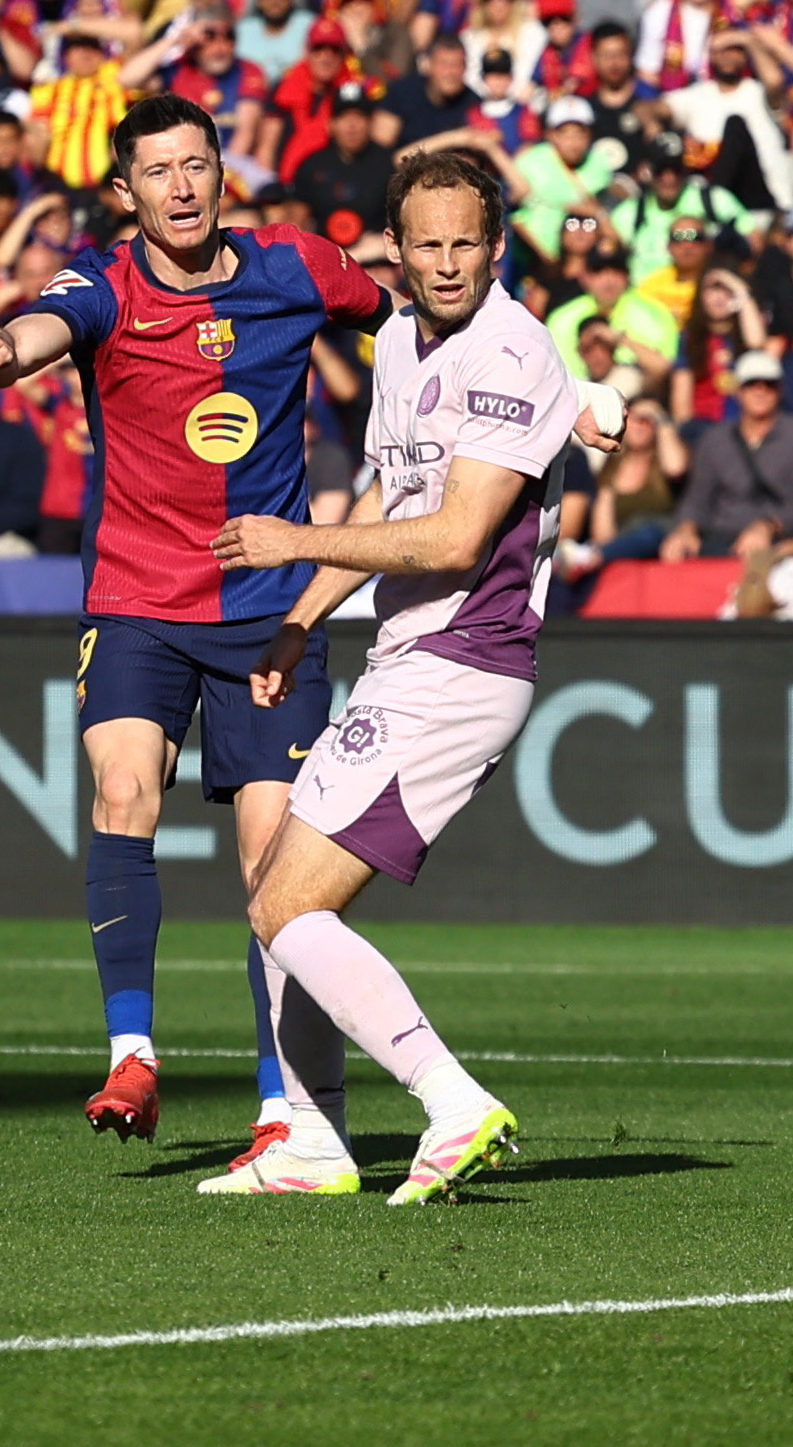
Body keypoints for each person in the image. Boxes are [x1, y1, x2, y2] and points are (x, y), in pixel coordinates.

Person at [0, 95, 393, 1165]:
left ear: (222, 173)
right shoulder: (102, 284)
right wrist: (3, 353)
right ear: (125, 192)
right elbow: (39, 327)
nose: (183, 186)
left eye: (197, 164)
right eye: (159, 171)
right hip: (137, 597)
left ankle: (283, 1108)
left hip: (267, 616)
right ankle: (133, 1052)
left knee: (271, 870)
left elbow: (414, 308)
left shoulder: (295, 266)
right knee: (121, 790)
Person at [208, 147, 593, 1203]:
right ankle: (317, 1140)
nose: (447, 260)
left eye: (466, 239)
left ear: (498, 243)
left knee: (287, 906)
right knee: (279, 894)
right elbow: (384, 502)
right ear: (396, 249)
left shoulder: (513, 351)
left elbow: (460, 535)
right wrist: (298, 621)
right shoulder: (396, 347)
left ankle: (450, 1098)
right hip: (405, 651)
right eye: (426, 242)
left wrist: (290, 542)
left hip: (463, 657)